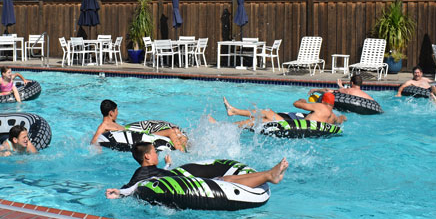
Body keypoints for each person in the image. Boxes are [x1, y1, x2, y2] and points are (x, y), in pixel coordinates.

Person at [105, 141, 289, 199]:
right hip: (188, 186)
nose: (157, 154)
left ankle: (268, 174)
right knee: (227, 181)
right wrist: (118, 192)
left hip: (185, 180)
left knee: (228, 177)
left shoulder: (151, 169)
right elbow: (135, 186)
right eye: (154, 152)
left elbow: (158, 173)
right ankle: (268, 175)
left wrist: (168, 165)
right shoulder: (141, 173)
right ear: (146, 157)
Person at [90, 99, 187, 152]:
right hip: (140, 139)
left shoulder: (112, 123)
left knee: (175, 130)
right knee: (170, 131)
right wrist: (98, 150)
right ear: (111, 113)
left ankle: (187, 147)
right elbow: (94, 141)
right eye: (116, 110)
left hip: (140, 135)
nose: (117, 113)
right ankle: (182, 153)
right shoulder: (103, 125)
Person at [210, 94, 347, 128]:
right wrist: (343, 118)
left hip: (297, 127)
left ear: (323, 101)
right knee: (261, 120)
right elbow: (341, 120)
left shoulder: (319, 106)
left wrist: (303, 101)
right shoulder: (333, 116)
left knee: (267, 112)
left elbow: (296, 104)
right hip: (306, 130)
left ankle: (234, 111)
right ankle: (228, 125)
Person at [309, 74, 373, 101]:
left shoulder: (348, 91)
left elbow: (328, 91)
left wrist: (316, 89)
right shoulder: (366, 95)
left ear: (352, 83)